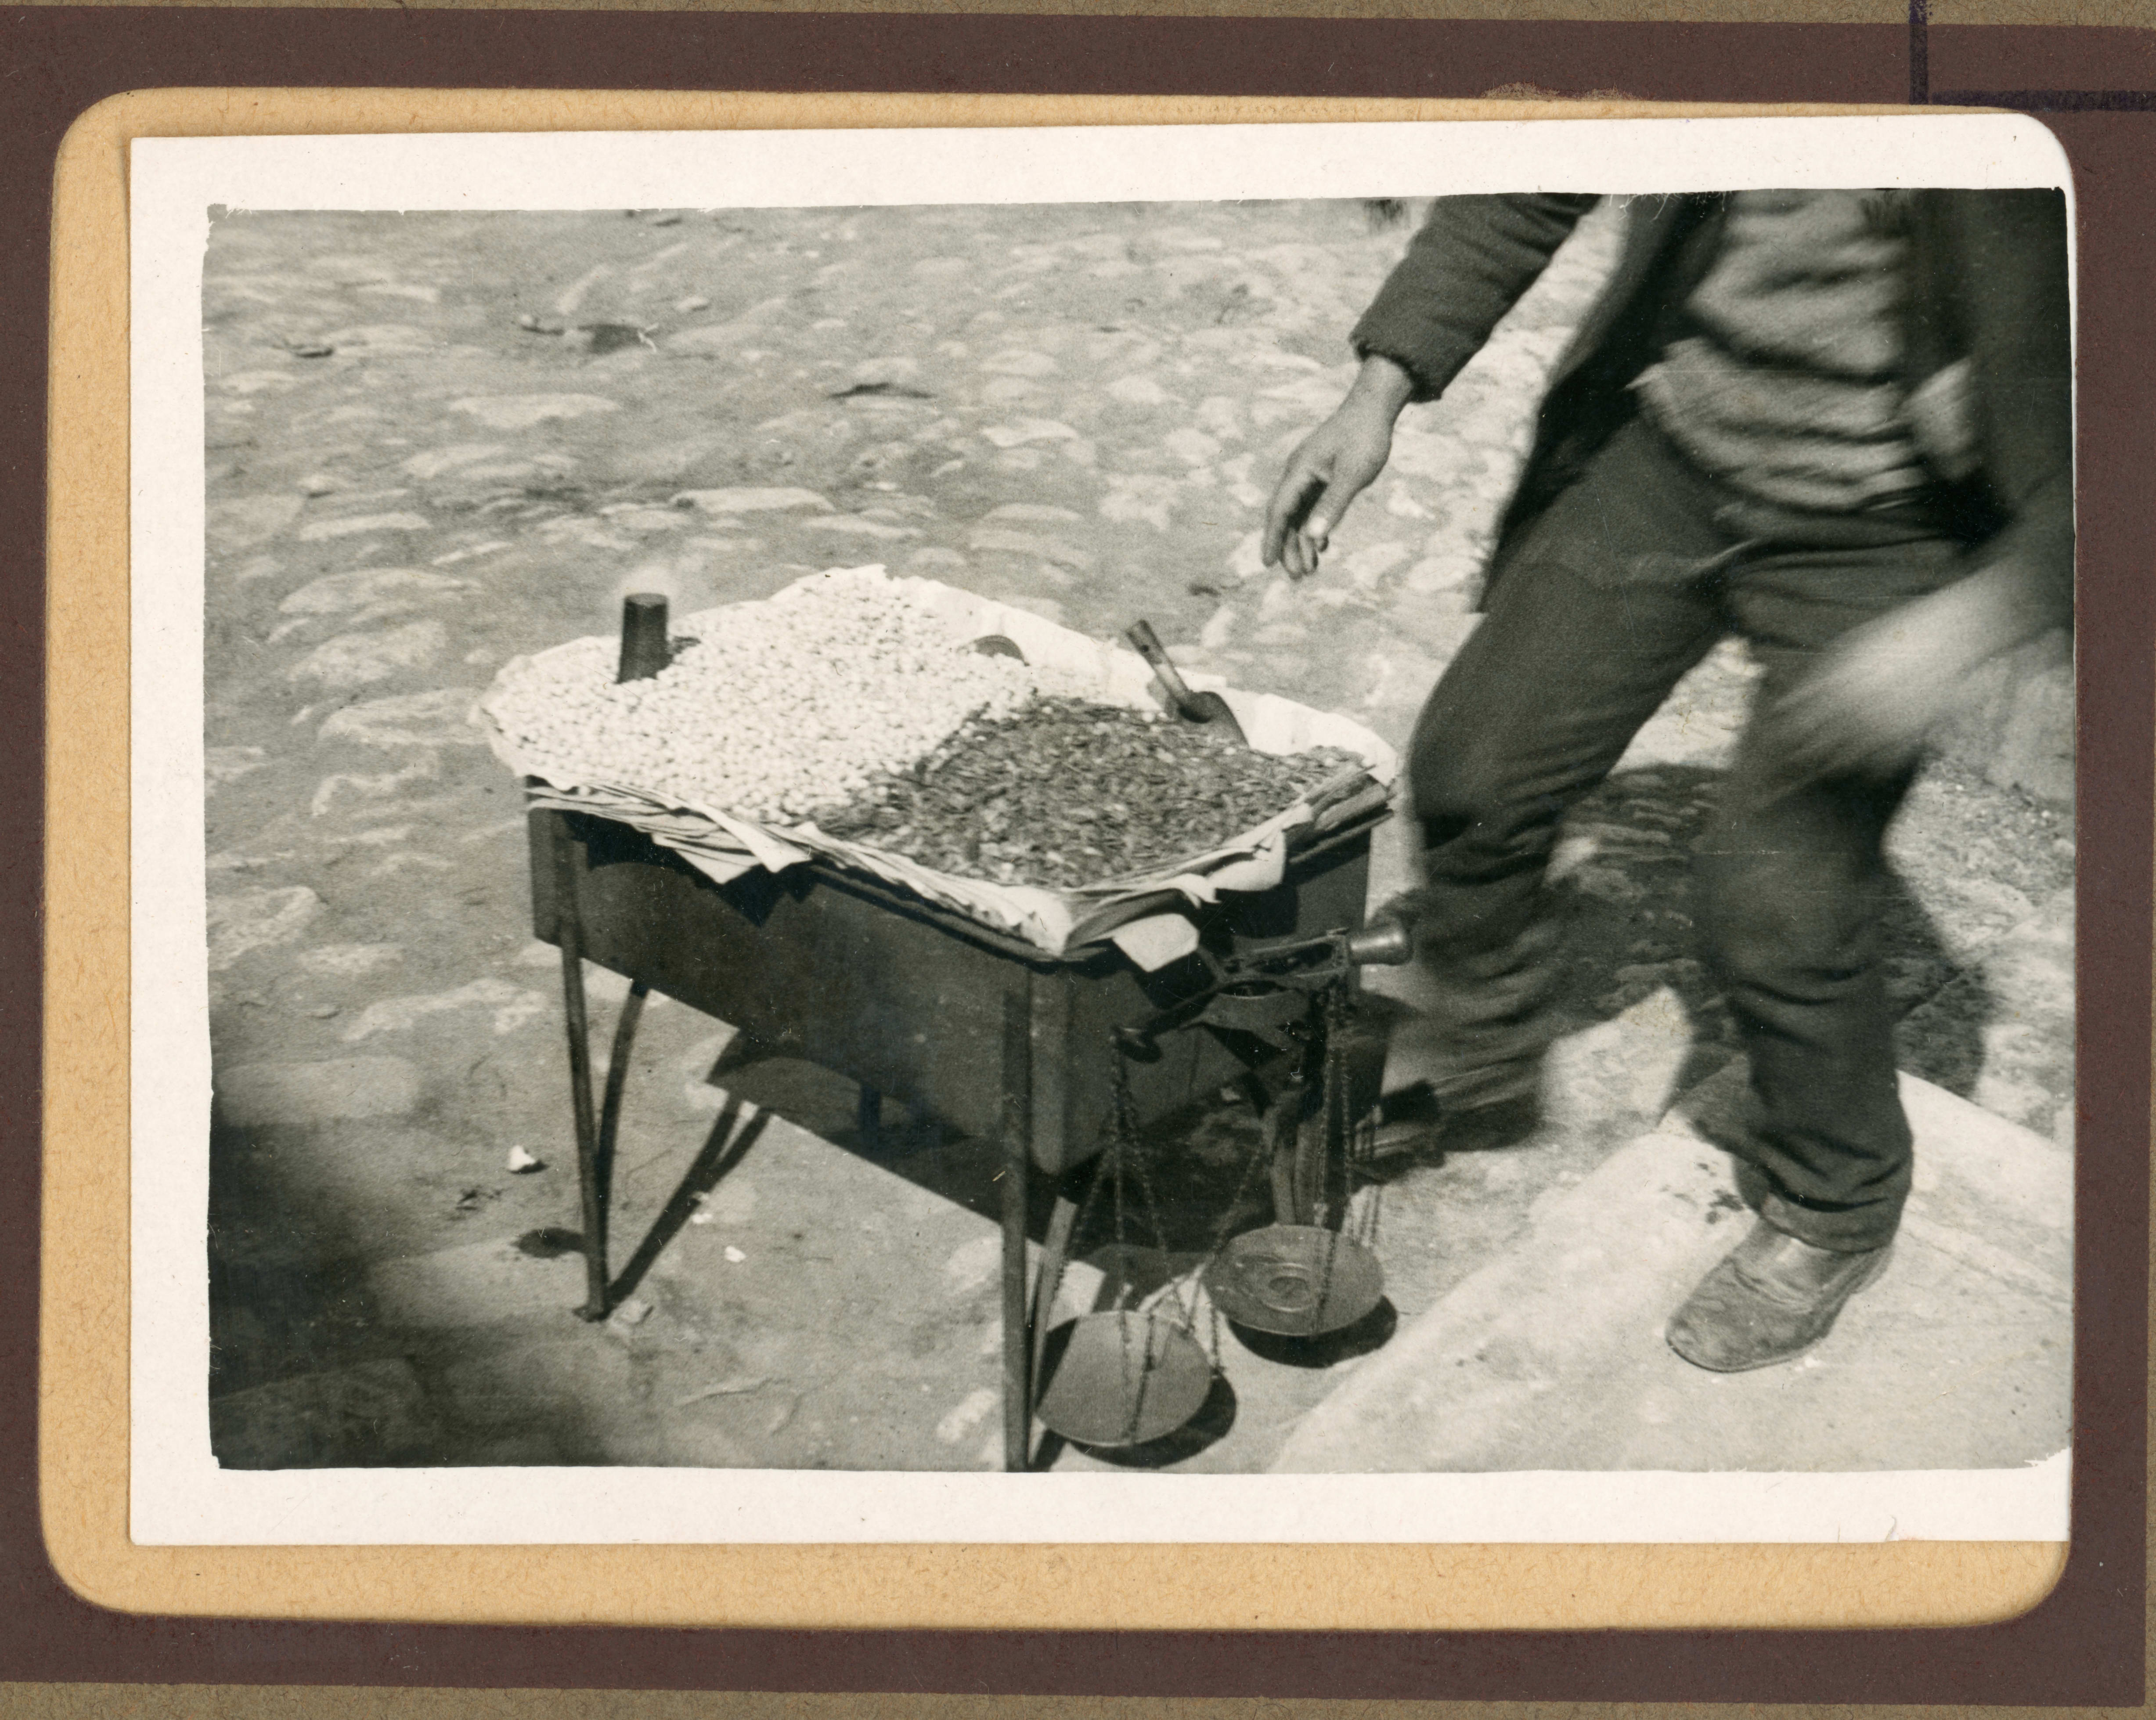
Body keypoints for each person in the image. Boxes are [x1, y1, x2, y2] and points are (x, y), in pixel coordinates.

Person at [1262, 189, 2072, 1372]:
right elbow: (1529, 183)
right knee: (1474, 769)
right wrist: (1375, 393)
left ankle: (1838, 1201)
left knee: (1778, 905)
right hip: (1678, 455)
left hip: (1891, 527)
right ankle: (1480, 1045)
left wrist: (1957, 629)